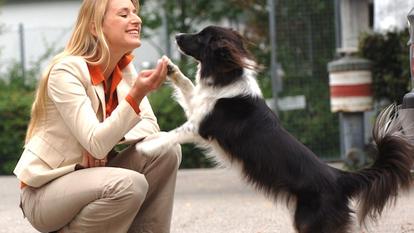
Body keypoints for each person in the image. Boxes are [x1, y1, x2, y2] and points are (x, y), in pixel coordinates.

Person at [13, 0, 181, 232]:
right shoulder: (66, 71)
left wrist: (100, 140)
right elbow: (97, 141)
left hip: (94, 175)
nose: (136, 19)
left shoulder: (124, 69)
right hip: (44, 192)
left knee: (165, 148)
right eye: (124, 14)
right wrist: (135, 97)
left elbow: (150, 128)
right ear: (95, 27)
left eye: (134, 12)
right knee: (129, 184)